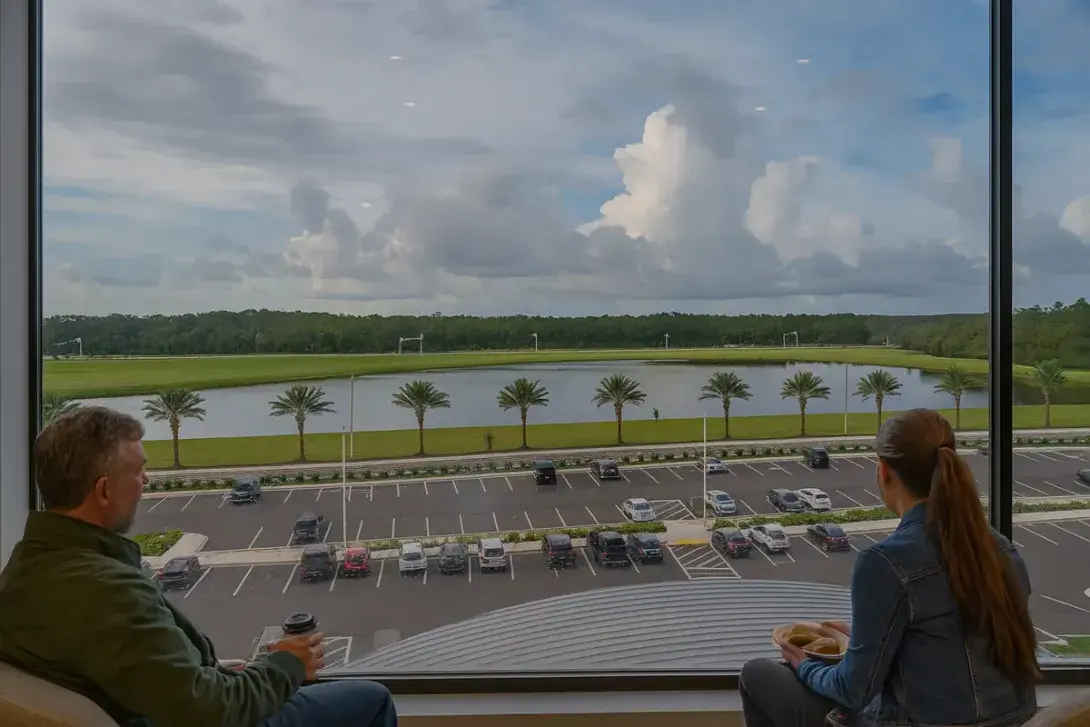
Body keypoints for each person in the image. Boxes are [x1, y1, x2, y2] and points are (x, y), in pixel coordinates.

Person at [0, 406, 398, 727]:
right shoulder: (105, 591)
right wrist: (286, 664)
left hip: (163, 709)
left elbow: (135, 672)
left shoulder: (28, 567)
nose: (146, 481)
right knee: (372, 700)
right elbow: (209, 712)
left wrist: (216, 673)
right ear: (104, 490)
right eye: (137, 471)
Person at [740, 408, 1040, 727]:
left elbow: (853, 691)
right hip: (1015, 721)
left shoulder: (885, 562)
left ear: (884, 471)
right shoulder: (1001, 549)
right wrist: (869, 641)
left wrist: (805, 665)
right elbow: (949, 649)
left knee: (757, 674)